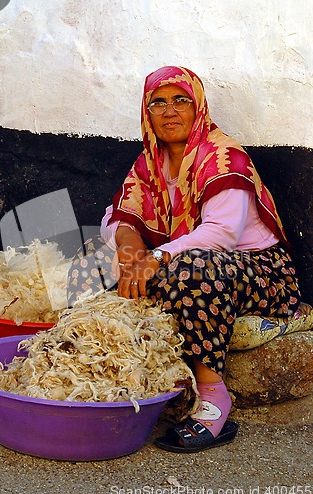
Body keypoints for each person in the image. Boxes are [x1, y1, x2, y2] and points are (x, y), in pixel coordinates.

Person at [69, 66, 301, 453]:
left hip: (260, 272)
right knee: (92, 259)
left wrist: (154, 257)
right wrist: (130, 247)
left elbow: (221, 234)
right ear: (147, 114)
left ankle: (213, 399)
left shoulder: (224, 157)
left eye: (181, 100)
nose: (169, 111)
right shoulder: (149, 163)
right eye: (157, 103)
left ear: (198, 107)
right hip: (182, 258)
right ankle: (113, 373)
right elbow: (117, 217)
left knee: (191, 271)